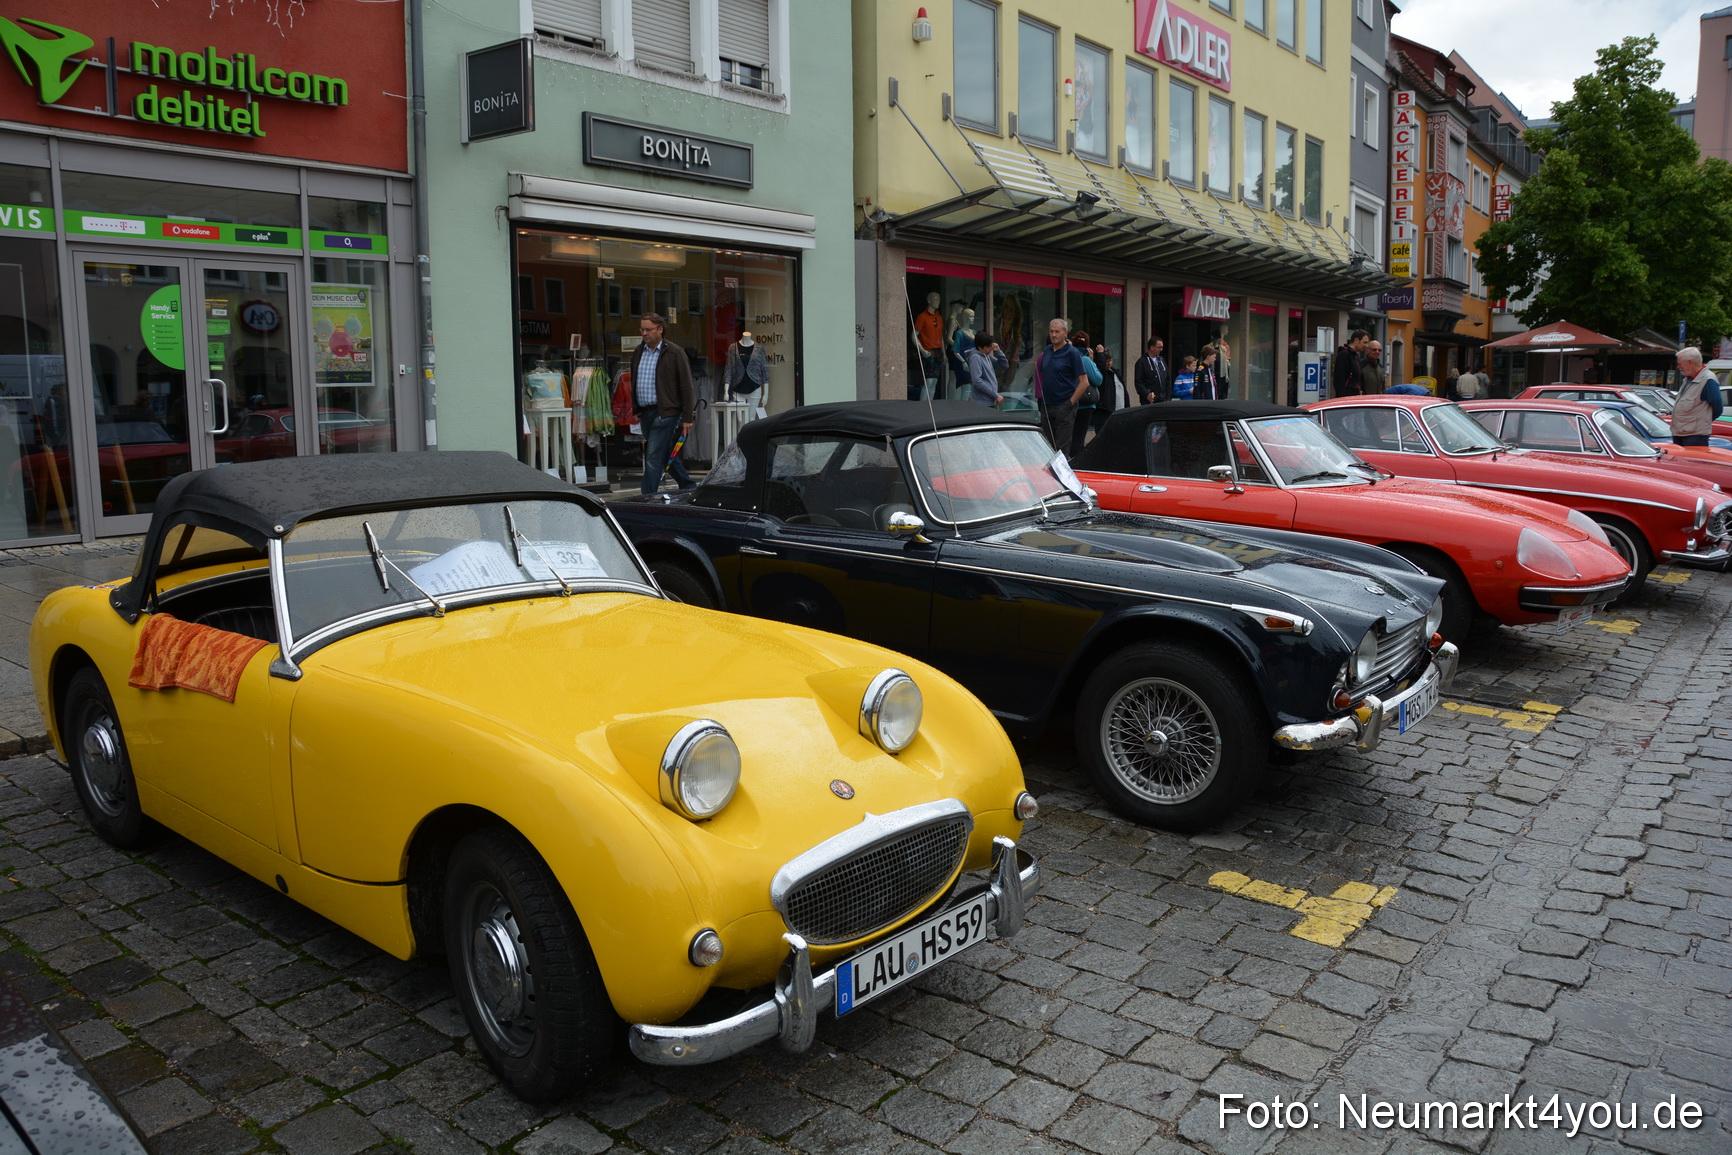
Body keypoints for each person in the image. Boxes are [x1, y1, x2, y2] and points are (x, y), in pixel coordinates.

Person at [630, 312, 695, 494]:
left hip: (666, 412)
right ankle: (689, 485)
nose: (644, 333)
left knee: (653, 456)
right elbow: (634, 380)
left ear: (660, 329)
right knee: (664, 452)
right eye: (642, 329)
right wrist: (636, 407)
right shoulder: (638, 352)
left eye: (648, 329)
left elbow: (686, 386)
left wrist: (687, 417)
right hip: (645, 412)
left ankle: (647, 496)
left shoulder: (675, 352)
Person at [1035, 318, 1089, 456]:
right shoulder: (1047, 350)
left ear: (1065, 333)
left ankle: (1063, 470)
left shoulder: (1072, 353)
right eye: (1051, 331)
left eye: (1057, 332)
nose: (1053, 335)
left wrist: (1070, 403)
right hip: (1047, 406)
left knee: (1061, 450)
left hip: (1064, 405)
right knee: (1047, 449)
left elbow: (1084, 382)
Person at [1672, 346, 1725, 447]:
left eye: (1680, 364)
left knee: (1694, 458)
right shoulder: (1688, 379)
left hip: (1695, 436)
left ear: (1690, 362)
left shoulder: (1708, 380)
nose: (1678, 367)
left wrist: (1701, 422)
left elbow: (1718, 409)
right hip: (1681, 433)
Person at [965, 335, 1009, 407]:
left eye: (991, 345)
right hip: (981, 402)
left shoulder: (986, 355)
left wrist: (998, 351)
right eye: (988, 346)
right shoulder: (975, 357)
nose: (991, 348)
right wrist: (995, 395)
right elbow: (977, 381)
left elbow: (1004, 365)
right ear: (980, 347)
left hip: (989, 400)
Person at [1332, 329, 1369, 397]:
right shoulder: (1344, 355)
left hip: (1354, 397)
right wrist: (1342, 397)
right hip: (1347, 397)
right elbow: (1339, 379)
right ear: (1357, 340)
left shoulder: (1356, 356)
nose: (1366, 346)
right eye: (1364, 342)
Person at [1135, 337, 1170, 403]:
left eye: (1162, 347)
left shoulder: (1162, 360)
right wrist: (1147, 394)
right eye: (1159, 347)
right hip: (1149, 400)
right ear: (1152, 347)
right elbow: (1138, 382)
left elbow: (1167, 379)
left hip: (1162, 399)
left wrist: (1168, 397)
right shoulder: (1142, 362)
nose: (1161, 349)